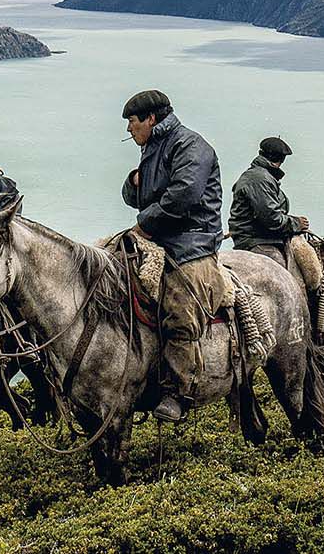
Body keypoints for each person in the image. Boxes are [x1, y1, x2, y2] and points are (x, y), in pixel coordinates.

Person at [119, 88, 223, 421]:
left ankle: (179, 391)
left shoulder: (190, 145)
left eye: (132, 122)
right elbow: (138, 197)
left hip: (191, 241)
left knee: (179, 309)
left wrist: (145, 225)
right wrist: (134, 183)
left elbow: (184, 196)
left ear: (151, 119)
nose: (129, 129)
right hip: (160, 236)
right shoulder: (153, 146)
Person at [227, 135, 308, 265]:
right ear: (282, 159)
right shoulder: (260, 179)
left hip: (260, 239)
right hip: (257, 241)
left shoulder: (262, 176)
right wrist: (296, 223)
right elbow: (271, 218)